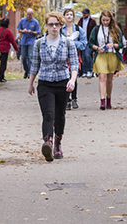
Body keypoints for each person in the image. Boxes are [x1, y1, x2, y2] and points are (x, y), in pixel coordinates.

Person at [28, 11, 78, 161]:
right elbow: (34, 65)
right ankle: (47, 142)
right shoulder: (39, 43)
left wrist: (72, 80)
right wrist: (30, 83)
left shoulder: (68, 43)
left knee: (60, 115)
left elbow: (74, 65)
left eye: (57, 24)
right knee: (48, 114)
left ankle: (57, 143)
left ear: (61, 25)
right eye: (51, 24)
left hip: (63, 82)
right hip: (45, 83)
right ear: (47, 26)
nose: (54, 27)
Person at [89, 10, 125, 110]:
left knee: (109, 79)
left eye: (107, 20)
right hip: (101, 55)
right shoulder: (96, 29)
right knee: (102, 77)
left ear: (111, 20)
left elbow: (121, 43)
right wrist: (97, 48)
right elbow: (90, 43)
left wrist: (113, 45)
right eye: (103, 20)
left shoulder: (115, 29)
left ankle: (109, 99)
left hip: (111, 55)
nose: (105, 22)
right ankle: (102, 101)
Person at [61, 8, 87, 110]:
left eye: (71, 14)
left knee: (73, 76)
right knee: (65, 77)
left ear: (73, 16)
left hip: (75, 55)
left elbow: (84, 43)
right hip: (63, 55)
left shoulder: (78, 29)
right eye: (67, 14)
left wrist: (72, 43)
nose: (69, 16)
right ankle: (67, 100)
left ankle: (74, 98)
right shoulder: (60, 29)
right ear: (64, 16)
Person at [0, 18, 19, 83]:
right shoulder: (8, 31)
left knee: (1, 63)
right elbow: (12, 41)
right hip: (5, 49)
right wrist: (17, 49)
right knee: (3, 64)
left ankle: (1, 76)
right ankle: (1, 77)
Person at [17, 9, 41, 79]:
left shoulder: (35, 22)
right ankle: (26, 70)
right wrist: (23, 31)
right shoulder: (22, 20)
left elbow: (38, 32)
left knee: (31, 57)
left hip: (31, 41)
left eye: (30, 15)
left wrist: (32, 32)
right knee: (24, 57)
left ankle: (30, 73)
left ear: (32, 14)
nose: (28, 16)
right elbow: (19, 29)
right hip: (24, 41)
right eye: (27, 14)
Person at [77, 8, 97, 77]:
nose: (84, 15)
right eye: (83, 13)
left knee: (87, 55)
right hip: (82, 41)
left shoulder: (92, 21)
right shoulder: (80, 21)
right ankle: (84, 71)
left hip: (89, 41)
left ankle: (90, 70)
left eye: (85, 13)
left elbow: (95, 31)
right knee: (83, 57)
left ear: (88, 14)